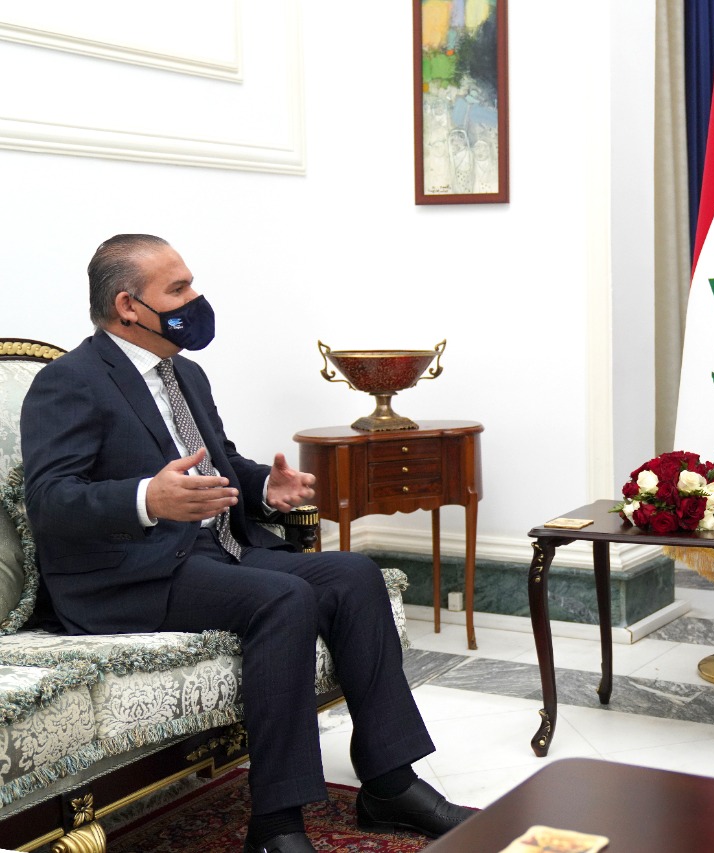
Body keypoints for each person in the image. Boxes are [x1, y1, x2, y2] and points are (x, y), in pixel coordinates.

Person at [21, 235, 478, 853]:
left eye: (191, 283)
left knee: (354, 575)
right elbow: (50, 500)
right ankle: (277, 825)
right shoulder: (69, 381)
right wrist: (147, 498)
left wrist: (267, 487)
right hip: (127, 575)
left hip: (215, 553)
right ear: (128, 306)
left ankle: (390, 784)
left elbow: (222, 463)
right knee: (282, 598)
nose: (196, 298)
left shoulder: (185, 373)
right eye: (178, 289)